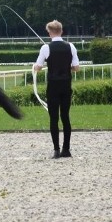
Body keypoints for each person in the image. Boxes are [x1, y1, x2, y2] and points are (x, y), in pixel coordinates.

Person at [33, 20, 80, 159]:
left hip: (53, 86)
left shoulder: (45, 48)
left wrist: (35, 66)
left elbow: (39, 67)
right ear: (61, 31)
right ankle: (66, 149)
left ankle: (56, 150)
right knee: (65, 117)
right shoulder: (71, 46)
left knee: (54, 118)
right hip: (66, 85)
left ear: (50, 32)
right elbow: (76, 68)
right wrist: (66, 67)